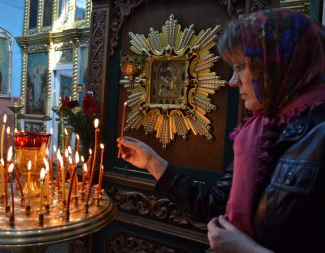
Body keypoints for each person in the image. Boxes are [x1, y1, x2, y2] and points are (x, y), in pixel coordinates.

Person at [117, 8, 325, 253]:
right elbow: (215, 204)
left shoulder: (318, 134)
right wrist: (152, 161)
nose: (232, 81)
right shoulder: (259, 133)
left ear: (277, 64)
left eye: (241, 67)